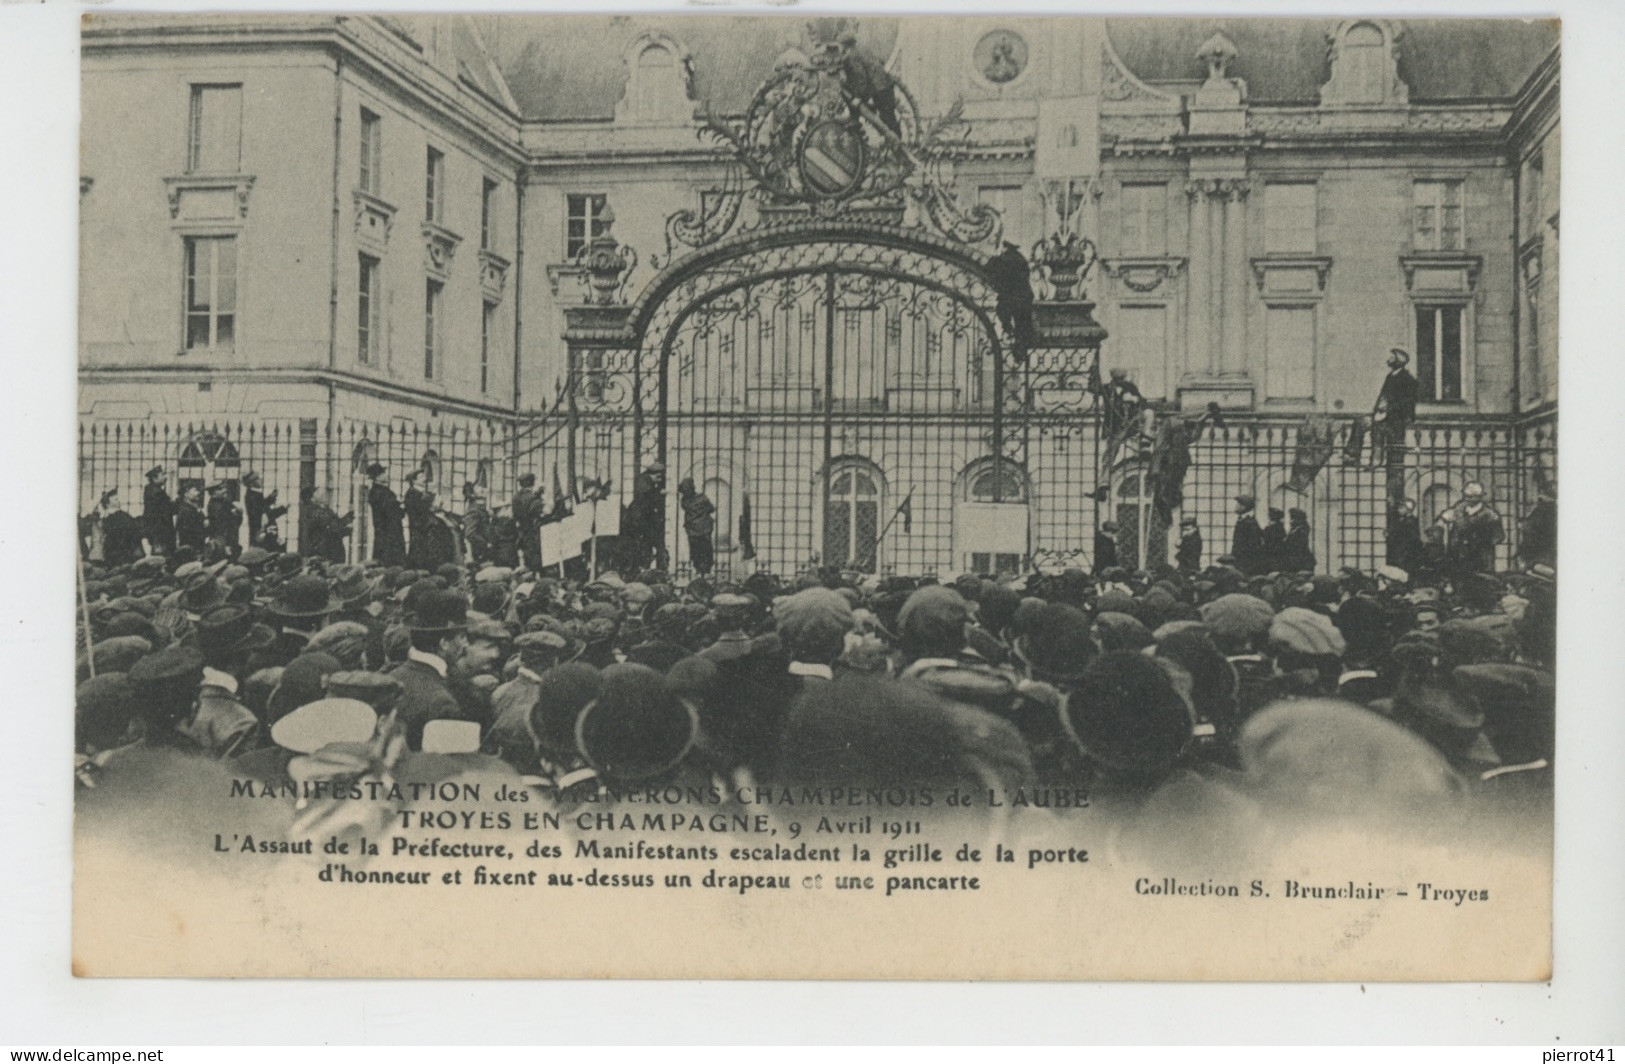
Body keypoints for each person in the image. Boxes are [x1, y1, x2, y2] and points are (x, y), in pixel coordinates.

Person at [389, 589, 472, 750]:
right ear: (444, 643)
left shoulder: (392, 677)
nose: (466, 644)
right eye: (462, 637)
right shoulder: (442, 702)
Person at [984, 241, 1036, 359]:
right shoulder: (1020, 258)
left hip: (1010, 297)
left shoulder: (1004, 258)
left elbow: (989, 267)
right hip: (1024, 297)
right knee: (1022, 325)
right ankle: (1021, 348)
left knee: (1003, 313)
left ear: (1005, 247)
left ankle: (1009, 333)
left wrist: (995, 256)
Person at [1443, 481, 1505, 578]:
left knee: (1480, 584)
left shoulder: (1490, 515)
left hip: (1480, 560)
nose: (1469, 499)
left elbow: (1499, 536)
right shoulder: (1459, 508)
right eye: (1467, 496)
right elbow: (1447, 518)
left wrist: (1482, 541)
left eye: (1473, 497)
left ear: (1480, 497)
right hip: (1459, 558)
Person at [1369, 347, 1419, 467]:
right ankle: (1361, 456)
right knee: (1370, 428)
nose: (1388, 360)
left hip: (1397, 418)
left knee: (1389, 440)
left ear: (1399, 360)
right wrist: (1377, 410)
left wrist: (1387, 408)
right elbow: (1383, 396)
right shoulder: (1390, 377)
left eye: (1392, 358)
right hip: (1385, 415)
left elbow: (1406, 402)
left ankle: (1379, 460)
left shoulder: (1407, 379)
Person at [624, 461, 667, 572]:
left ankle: (648, 569)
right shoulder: (644, 482)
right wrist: (659, 492)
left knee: (649, 548)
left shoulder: (646, 481)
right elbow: (647, 498)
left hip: (645, 522)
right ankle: (642, 570)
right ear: (652, 474)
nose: (660, 479)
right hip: (640, 523)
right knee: (643, 549)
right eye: (658, 476)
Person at [365, 463, 406, 566]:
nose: (386, 474)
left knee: (382, 559)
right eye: (383, 473)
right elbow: (391, 512)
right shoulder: (382, 492)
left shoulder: (375, 491)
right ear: (378, 477)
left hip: (382, 530)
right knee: (391, 560)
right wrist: (400, 507)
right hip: (390, 531)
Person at [299, 486, 352, 563]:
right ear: (312, 499)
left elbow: (337, 523)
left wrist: (350, 515)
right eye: (318, 493)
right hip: (326, 551)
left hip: (332, 549)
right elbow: (333, 529)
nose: (323, 494)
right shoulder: (317, 512)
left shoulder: (325, 510)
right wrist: (348, 529)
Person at [678, 476, 717, 577]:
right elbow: (712, 509)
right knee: (707, 549)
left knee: (695, 549)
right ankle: (707, 570)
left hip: (692, 529)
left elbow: (684, 508)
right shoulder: (702, 498)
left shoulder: (684, 501)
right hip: (705, 528)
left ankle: (698, 569)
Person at [98, 489, 147, 566]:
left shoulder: (108, 516)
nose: (119, 501)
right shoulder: (117, 515)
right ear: (108, 504)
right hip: (121, 550)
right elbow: (130, 527)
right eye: (116, 499)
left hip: (115, 549)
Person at [242, 471, 286, 548]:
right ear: (252, 483)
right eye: (258, 478)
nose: (261, 479)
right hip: (262, 532)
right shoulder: (253, 496)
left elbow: (261, 506)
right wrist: (283, 508)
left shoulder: (254, 494)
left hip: (263, 531)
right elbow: (264, 514)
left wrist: (270, 498)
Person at [1518, 488, 1556, 570]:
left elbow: (1530, 529)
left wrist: (1524, 525)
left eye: (1540, 494)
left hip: (1539, 555)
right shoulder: (1550, 509)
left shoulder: (1541, 510)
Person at [141, 465, 176, 555]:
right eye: (162, 474)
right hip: (161, 534)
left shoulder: (150, 490)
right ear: (154, 478)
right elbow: (170, 509)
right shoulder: (158, 493)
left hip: (155, 533)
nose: (165, 477)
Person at [512, 472, 543, 571]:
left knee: (527, 555)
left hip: (522, 530)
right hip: (533, 530)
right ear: (532, 483)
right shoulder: (532, 497)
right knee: (536, 555)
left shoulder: (516, 497)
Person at [205, 482, 242, 559]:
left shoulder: (224, 502)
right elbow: (223, 526)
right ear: (214, 492)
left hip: (229, 537)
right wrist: (227, 544)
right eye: (220, 489)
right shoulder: (216, 506)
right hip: (224, 539)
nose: (224, 490)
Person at [1387, 498, 1424, 573]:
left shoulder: (1410, 522)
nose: (1398, 509)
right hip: (1401, 554)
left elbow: (1410, 540)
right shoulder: (1404, 520)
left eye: (1401, 508)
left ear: (1408, 510)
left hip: (1404, 556)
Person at [1230, 493, 1264, 576]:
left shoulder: (1250, 523)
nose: (1236, 506)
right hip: (1240, 561)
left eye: (1238, 504)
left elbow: (1253, 545)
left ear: (1243, 506)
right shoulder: (1243, 520)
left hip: (1245, 563)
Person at [176, 485, 207, 554]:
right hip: (191, 547)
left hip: (196, 546)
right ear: (186, 494)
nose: (198, 493)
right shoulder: (185, 510)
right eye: (195, 490)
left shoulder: (194, 507)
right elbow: (188, 531)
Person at [1283, 507, 1316, 573]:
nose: (1290, 521)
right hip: (1296, 559)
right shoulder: (1296, 529)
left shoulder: (1301, 530)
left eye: (1292, 518)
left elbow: (1297, 546)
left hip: (1300, 560)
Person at [1260, 507, 1287, 573]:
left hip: (1269, 556)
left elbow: (1265, 541)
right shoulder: (1281, 528)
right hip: (1279, 557)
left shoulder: (1269, 528)